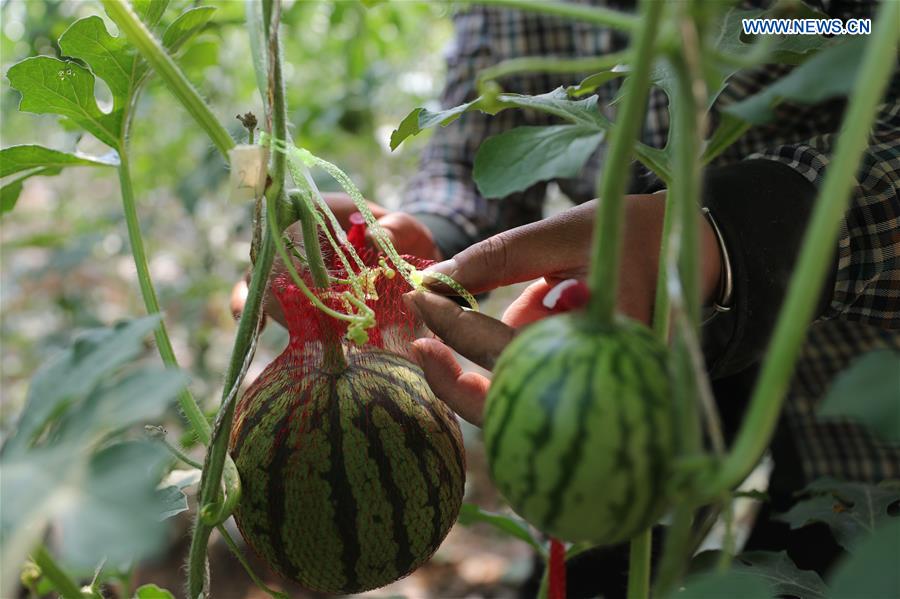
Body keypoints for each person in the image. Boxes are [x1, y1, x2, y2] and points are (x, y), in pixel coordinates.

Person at [234, 0, 899, 591]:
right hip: (644, 376)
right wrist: (420, 237)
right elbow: (471, 153)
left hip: (872, 403)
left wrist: (729, 238)